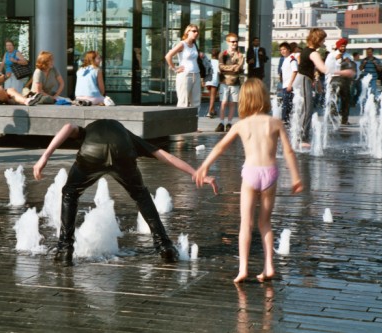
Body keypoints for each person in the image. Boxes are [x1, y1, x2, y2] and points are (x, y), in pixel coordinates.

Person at [33, 119, 218, 265]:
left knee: (70, 192)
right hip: (123, 152)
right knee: (141, 195)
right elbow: (165, 155)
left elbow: (67, 127)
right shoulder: (128, 136)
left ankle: (65, 250)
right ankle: (165, 247)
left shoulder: (88, 131)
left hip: (91, 152)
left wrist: (44, 157)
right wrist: (196, 173)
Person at [193, 78, 303, 283]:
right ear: (264, 98)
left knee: (246, 223)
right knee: (265, 223)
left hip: (251, 174)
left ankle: (243, 269)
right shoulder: (275, 122)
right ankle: (269, 266)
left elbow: (220, 147)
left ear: (244, 100)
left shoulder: (241, 125)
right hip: (270, 173)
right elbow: (288, 151)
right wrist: (296, 177)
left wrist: (205, 165)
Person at [293, 28, 354, 144]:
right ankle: (302, 139)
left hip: (304, 80)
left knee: (304, 109)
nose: (324, 42)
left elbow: (308, 66)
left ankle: (300, 137)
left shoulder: (306, 50)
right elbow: (324, 69)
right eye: (323, 40)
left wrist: (316, 80)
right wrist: (344, 72)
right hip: (304, 80)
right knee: (307, 109)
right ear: (318, 39)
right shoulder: (313, 53)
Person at [165, 24, 201, 110]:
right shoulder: (182, 44)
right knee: (183, 101)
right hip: (185, 75)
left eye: (197, 31)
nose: (196, 33)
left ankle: (194, 121)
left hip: (196, 74)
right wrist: (175, 68)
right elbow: (168, 56)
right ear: (187, 32)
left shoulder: (194, 45)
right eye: (194, 31)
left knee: (196, 102)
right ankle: (180, 122)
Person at [215, 33, 244, 132]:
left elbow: (238, 68)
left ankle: (229, 123)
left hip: (235, 82)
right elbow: (221, 67)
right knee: (223, 103)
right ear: (228, 42)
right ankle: (221, 122)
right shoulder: (222, 54)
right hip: (224, 81)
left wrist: (229, 68)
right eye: (232, 41)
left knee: (232, 103)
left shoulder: (240, 55)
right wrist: (232, 67)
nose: (235, 43)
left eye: (236, 41)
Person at [325, 38, 354, 125]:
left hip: (345, 79)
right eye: (341, 46)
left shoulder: (349, 56)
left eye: (344, 46)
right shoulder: (332, 55)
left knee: (346, 100)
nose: (343, 48)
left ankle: (344, 119)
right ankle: (331, 118)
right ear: (338, 47)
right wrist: (336, 60)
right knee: (333, 99)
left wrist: (349, 63)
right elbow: (327, 67)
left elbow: (352, 68)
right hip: (335, 78)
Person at [279, 42, 298, 124]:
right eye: (281, 50)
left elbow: (295, 71)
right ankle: (285, 121)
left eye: (284, 49)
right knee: (285, 104)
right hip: (285, 85)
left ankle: (285, 121)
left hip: (289, 86)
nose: (282, 51)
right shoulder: (285, 59)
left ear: (289, 49)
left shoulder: (292, 59)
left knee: (287, 105)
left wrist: (290, 84)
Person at [204, 48, 220, 118]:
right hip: (214, 80)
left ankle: (213, 110)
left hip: (208, 80)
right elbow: (219, 72)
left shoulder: (208, 61)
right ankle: (209, 112)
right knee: (213, 96)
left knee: (211, 96)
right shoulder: (218, 62)